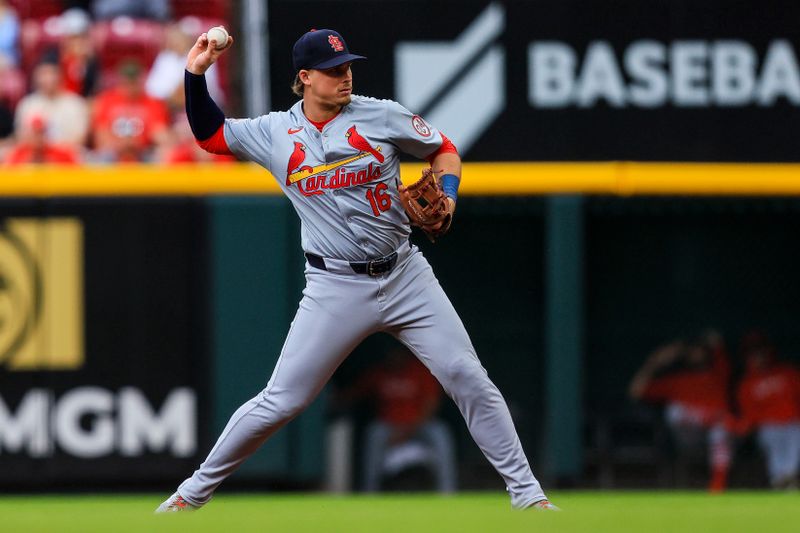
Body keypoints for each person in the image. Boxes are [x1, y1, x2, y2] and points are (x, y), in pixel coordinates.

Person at [155, 28, 556, 513]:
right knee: (282, 400)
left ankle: (529, 497)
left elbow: (443, 147)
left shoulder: (381, 114)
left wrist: (447, 192)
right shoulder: (274, 132)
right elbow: (211, 135)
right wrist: (196, 73)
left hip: (405, 273)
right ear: (304, 78)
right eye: (333, 70)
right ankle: (188, 496)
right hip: (334, 284)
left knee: (466, 375)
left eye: (347, 67)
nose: (346, 76)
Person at [342, 347, 457, 492]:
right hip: (389, 427)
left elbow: (430, 405)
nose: (393, 357)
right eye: (389, 354)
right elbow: (353, 394)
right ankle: (370, 491)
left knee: (440, 432)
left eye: (396, 353)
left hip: (418, 426)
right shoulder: (379, 373)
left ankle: (447, 491)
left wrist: (407, 431)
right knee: (374, 432)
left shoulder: (419, 371)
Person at [629, 332, 733, 492]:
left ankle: (717, 486)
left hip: (720, 433)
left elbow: (716, 340)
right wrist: (654, 362)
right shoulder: (677, 380)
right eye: (692, 352)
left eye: (699, 350)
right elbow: (636, 391)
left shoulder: (719, 373)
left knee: (719, 429)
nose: (696, 355)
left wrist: (713, 343)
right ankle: (708, 418)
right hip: (689, 436)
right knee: (674, 410)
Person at [729, 331, 800, 489]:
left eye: (760, 351)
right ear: (747, 355)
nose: (758, 356)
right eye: (753, 352)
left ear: (768, 351)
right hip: (768, 427)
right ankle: (783, 478)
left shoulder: (788, 372)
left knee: (796, 433)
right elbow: (749, 414)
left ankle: (785, 478)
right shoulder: (746, 384)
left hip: (793, 423)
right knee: (773, 438)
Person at [91, 59, 171, 162]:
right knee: (99, 158)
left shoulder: (153, 102)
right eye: (127, 82)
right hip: (113, 152)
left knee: (162, 155)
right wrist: (120, 144)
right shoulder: (107, 100)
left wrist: (137, 143)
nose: (130, 87)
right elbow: (101, 134)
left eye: (134, 82)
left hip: (143, 151)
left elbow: (159, 132)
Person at [14, 59, 89, 149]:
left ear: (61, 75)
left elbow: (80, 139)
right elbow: (21, 137)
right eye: (43, 74)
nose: (48, 78)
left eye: (52, 73)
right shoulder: (27, 104)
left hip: (67, 157)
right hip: (36, 158)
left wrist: (54, 150)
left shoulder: (76, 104)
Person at [4, 114, 79, 164]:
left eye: (41, 132)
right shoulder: (18, 154)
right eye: (35, 133)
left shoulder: (62, 153)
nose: (38, 137)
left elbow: (77, 173)